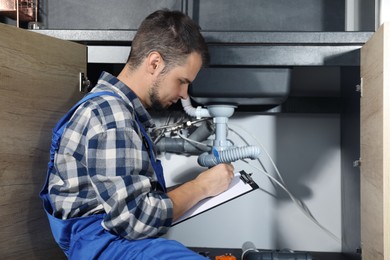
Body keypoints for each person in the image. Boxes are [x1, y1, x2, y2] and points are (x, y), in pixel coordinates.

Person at [40, 9, 234, 259]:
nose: (185, 94)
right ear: (155, 63)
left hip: (117, 244)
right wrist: (201, 187)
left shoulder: (119, 112)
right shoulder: (111, 114)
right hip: (108, 247)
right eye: (182, 80)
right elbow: (136, 219)